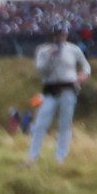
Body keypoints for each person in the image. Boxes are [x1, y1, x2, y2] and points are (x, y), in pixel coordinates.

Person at [26, 25, 91, 165]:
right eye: (58, 34)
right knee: (40, 124)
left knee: (65, 124)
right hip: (50, 90)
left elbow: (86, 65)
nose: (61, 37)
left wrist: (83, 75)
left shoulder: (73, 49)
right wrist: (51, 56)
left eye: (63, 34)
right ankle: (33, 156)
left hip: (68, 89)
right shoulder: (43, 50)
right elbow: (41, 71)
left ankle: (60, 157)